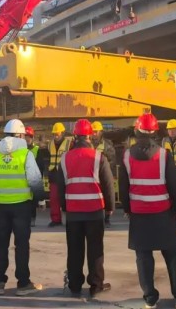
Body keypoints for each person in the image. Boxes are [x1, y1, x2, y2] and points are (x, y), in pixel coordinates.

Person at [120, 113, 176, 309]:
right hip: (163, 213)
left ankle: (150, 299)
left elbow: (123, 187)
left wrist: (126, 208)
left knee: (143, 257)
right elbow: (174, 185)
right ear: (155, 132)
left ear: (137, 130)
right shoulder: (164, 155)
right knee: (173, 255)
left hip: (139, 214)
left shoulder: (126, 155)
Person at [0, 119, 45, 296]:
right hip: (21, 206)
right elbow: (34, 179)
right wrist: (40, 200)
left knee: (1, 244)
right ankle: (23, 284)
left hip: (1, 207)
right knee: (21, 245)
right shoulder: (25, 154)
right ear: (20, 135)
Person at [58, 119, 115, 298]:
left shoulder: (65, 158)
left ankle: (75, 285)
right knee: (95, 249)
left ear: (75, 137)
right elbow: (108, 184)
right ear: (90, 136)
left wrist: (64, 206)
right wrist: (110, 207)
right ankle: (96, 285)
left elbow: (60, 187)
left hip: (73, 212)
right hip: (94, 211)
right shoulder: (98, 157)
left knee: (74, 250)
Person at [91, 121, 117, 228]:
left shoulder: (107, 145)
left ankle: (107, 218)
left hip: (103, 174)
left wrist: (109, 173)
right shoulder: (88, 144)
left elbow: (112, 160)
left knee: (106, 195)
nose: (94, 134)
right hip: (92, 174)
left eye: (96, 131)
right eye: (92, 132)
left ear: (101, 132)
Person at [47, 122, 72, 227]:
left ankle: (70, 219)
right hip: (54, 174)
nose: (56, 136)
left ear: (62, 133)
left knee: (68, 197)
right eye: (54, 134)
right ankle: (56, 219)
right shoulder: (50, 144)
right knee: (54, 199)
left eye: (57, 133)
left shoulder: (69, 144)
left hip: (66, 174)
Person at [25, 126, 48, 226]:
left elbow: (40, 167)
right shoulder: (20, 150)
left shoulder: (37, 150)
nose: (27, 139)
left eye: (29, 137)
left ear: (32, 138)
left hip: (32, 179)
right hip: (22, 179)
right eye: (26, 136)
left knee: (32, 200)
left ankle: (32, 219)